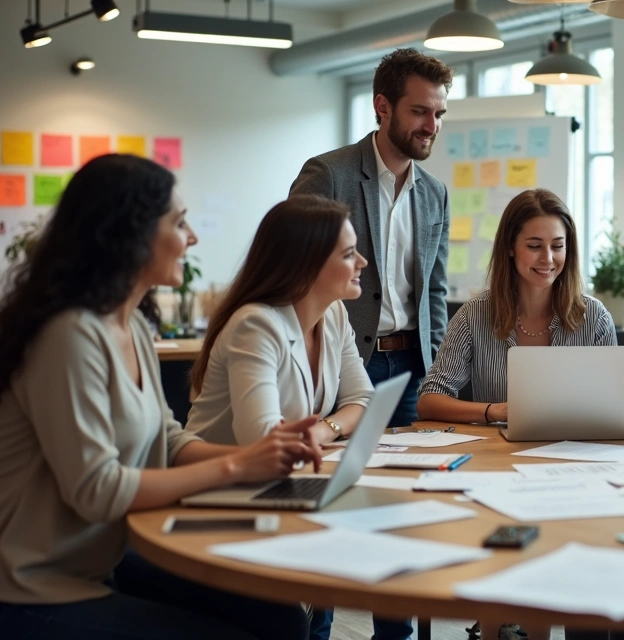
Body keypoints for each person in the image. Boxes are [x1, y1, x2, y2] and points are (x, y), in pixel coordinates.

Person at [0, 154, 318, 640]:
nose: (191, 238)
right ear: (130, 232)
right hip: (35, 587)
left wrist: (257, 456)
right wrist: (236, 468)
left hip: (101, 557)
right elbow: (96, 489)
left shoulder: (130, 326)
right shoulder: (68, 334)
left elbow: (166, 439)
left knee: (282, 618)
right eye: (179, 222)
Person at [290, 47, 453, 432]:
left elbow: (434, 289)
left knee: (411, 475)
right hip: (349, 363)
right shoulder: (328, 174)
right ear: (383, 106)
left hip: (414, 367)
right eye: (419, 111)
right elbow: (294, 273)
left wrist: (438, 367)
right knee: (340, 474)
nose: (432, 126)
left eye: (439, 114)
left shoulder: (435, 193)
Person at [187, 195, 373, 448]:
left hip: (279, 473)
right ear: (307, 265)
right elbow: (261, 438)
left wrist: (322, 432)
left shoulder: (334, 314)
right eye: (349, 254)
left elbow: (362, 399)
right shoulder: (255, 324)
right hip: (221, 481)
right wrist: (318, 435)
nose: (362, 262)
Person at [417, 188, 615, 422]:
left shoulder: (594, 317)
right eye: (534, 246)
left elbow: (614, 402)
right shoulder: (474, 315)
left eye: (558, 246)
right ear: (510, 247)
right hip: (498, 451)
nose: (548, 258)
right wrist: (493, 411)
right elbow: (429, 401)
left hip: (575, 450)